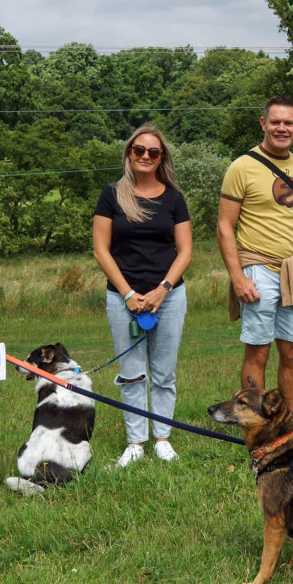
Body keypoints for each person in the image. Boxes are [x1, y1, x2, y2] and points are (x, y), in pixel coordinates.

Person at [217, 96, 293, 437]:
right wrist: (237, 278)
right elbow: (224, 226)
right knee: (258, 350)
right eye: (275, 122)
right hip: (258, 269)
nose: (282, 128)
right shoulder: (242, 166)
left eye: (288, 123)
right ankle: (256, 425)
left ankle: (291, 424)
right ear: (263, 124)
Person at [93, 124, 193, 468]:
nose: (145, 157)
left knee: (164, 373)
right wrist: (128, 294)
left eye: (153, 152)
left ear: (161, 156)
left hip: (169, 297)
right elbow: (101, 250)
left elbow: (185, 251)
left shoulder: (174, 198)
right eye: (139, 150)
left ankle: (162, 438)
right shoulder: (111, 195)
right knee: (132, 372)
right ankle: (136, 441)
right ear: (129, 154)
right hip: (124, 299)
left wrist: (163, 290)